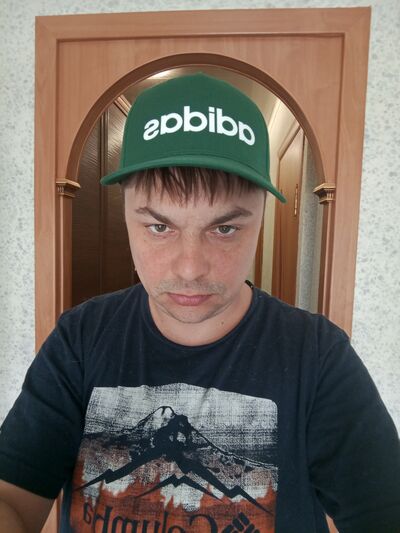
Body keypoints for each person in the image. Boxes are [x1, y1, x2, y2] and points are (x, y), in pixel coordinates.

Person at [0, 73, 399, 533]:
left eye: (224, 229)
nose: (190, 268)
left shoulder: (319, 357)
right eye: (159, 227)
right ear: (126, 215)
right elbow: (13, 497)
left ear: (261, 219)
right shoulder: (80, 338)